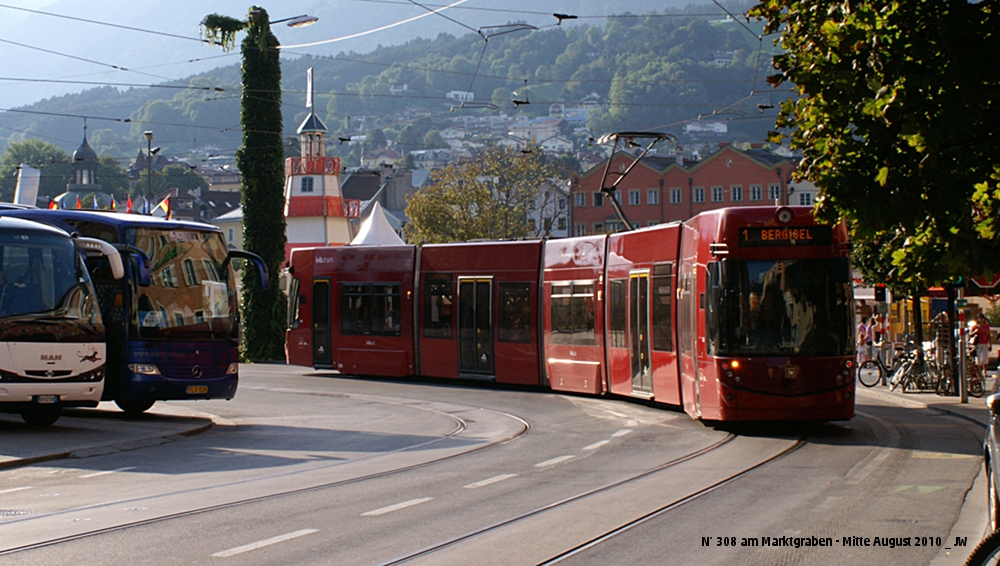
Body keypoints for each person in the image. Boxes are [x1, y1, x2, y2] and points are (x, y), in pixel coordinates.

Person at [972, 313, 993, 378]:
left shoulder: (986, 326)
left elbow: (988, 335)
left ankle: (985, 371)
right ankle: (979, 372)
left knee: (985, 358)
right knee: (978, 358)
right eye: (979, 318)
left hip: (985, 343)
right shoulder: (976, 326)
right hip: (978, 343)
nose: (981, 319)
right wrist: (975, 331)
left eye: (982, 318)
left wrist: (990, 344)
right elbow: (970, 335)